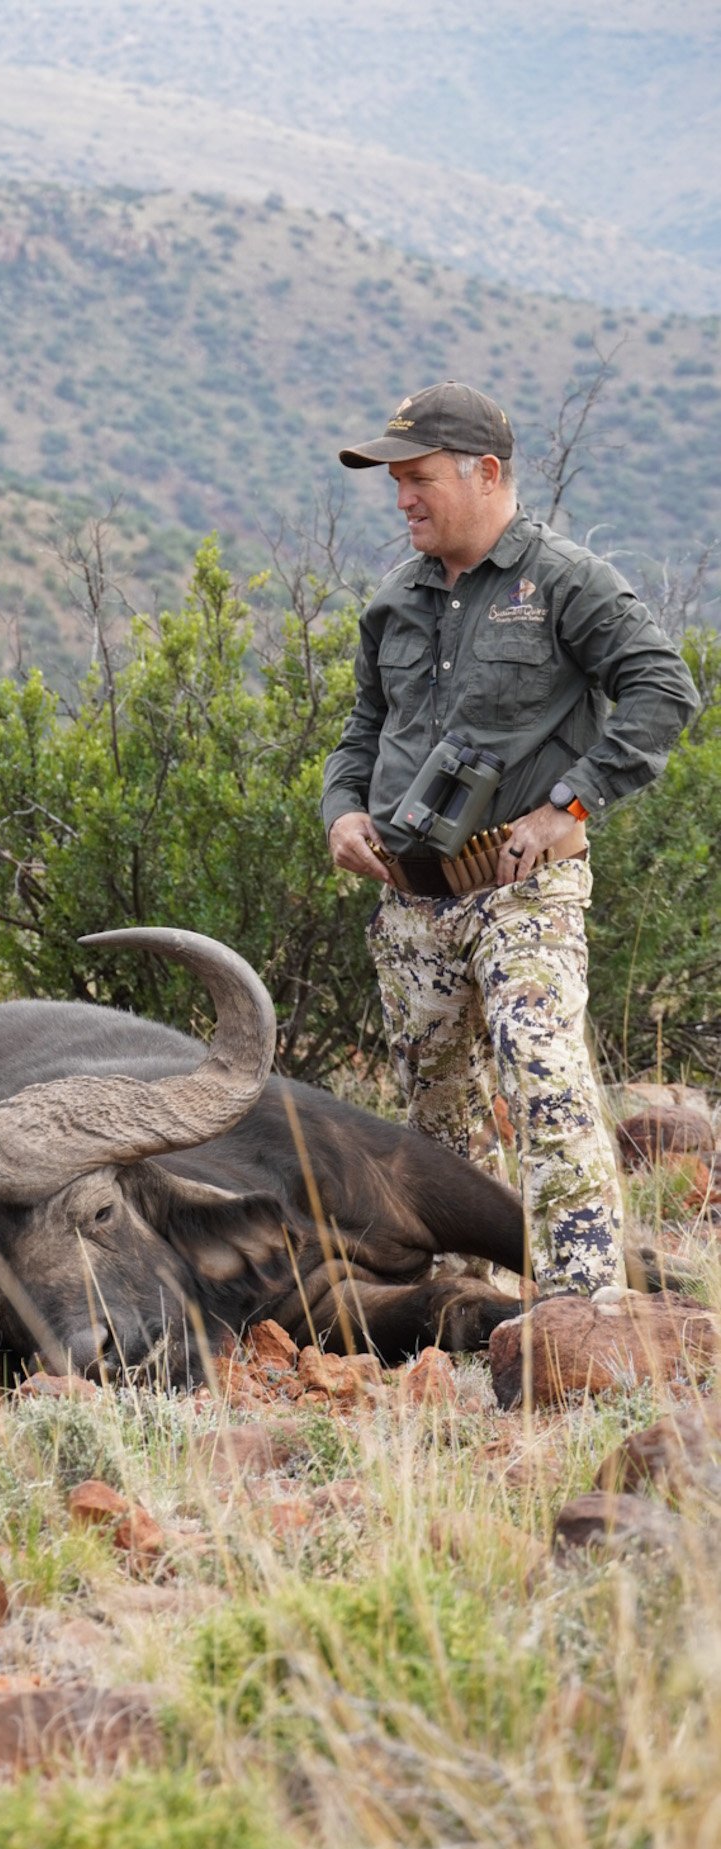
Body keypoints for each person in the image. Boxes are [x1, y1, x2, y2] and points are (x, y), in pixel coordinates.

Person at [322, 382, 698, 1294]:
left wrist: (565, 808)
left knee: (543, 1074)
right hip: (411, 901)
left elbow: (662, 691)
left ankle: (582, 1306)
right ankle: (461, 1305)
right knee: (434, 1118)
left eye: (416, 478)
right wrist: (340, 810)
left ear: (484, 472)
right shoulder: (395, 599)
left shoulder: (566, 581)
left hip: (522, 886)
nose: (402, 498)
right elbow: (363, 727)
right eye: (394, 481)